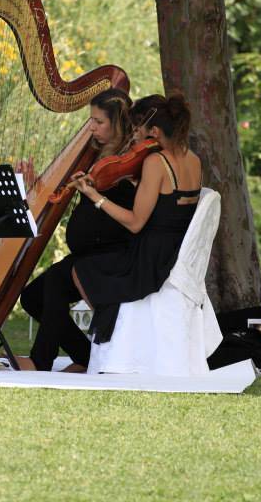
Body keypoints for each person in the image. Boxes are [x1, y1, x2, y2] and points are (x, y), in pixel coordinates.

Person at [16, 88, 137, 371]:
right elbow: (58, 195)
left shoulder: (130, 163)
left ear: (118, 123)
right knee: (32, 297)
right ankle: (85, 357)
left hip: (112, 255)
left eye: (98, 121)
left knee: (57, 282)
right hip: (89, 253)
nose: (91, 127)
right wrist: (36, 183)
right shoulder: (95, 153)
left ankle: (40, 361)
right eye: (90, 120)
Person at [71, 92, 201, 345]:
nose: (135, 134)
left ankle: (116, 334)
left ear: (153, 131)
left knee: (82, 269)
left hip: (150, 260)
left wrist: (94, 195)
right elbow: (168, 205)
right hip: (175, 252)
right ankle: (115, 327)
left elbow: (135, 223)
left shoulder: (156, 161)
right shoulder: (192, 159)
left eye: (138, 128)